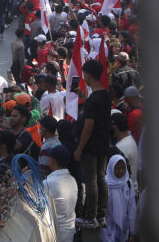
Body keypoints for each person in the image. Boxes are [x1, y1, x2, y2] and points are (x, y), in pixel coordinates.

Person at [74, 59, 111, 229]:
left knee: (91, 180)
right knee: (101, 178)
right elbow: (95, 106)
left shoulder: (92, 101)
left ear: (87, 75)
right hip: (103, 144)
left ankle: (91, 217)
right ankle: (101, 215)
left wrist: (79, 149)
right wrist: (83, 96)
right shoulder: (106, 95)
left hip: (90, 146)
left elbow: (88, 128)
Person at [42, 145, 78, 242]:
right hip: (69, 232)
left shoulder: (48, 183)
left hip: (55, 234)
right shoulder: (72, 180)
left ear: (52, 160)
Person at [101, 155, 136, 242]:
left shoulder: (128, 183)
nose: (120, 171)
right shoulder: (104, 184)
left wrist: (132, 232)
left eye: (123, 168)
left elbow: (132, 209)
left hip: (123, 231)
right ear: (111, 167)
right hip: (107, 230)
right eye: (117, 168)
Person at [112, 113, 138, 196]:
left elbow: (118, 175)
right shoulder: (128, 141)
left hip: (126, 194)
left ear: (115, 127)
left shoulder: (122, 146)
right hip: (129, 191)